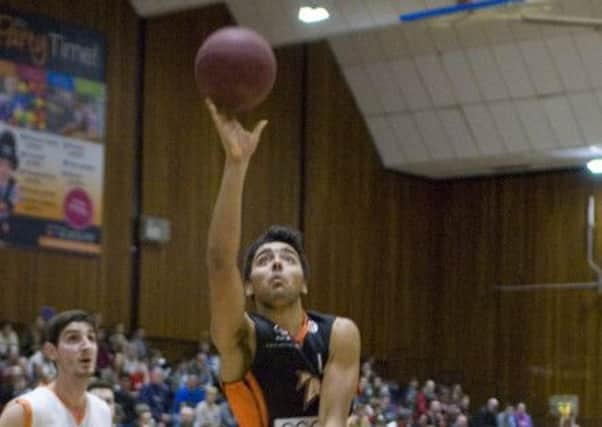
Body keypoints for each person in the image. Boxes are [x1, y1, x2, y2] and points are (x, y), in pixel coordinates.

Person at [205, 98, 361, 427]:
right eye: (264, 260)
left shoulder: (339, 335)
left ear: (304, 280)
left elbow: (333, 421)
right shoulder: (241, 337)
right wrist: (236, 164)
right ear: (247, 285)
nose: (277, 264)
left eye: (288, 258)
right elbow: (220, 263)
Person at [0, 309, 112, 426]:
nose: (87, 346)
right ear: (51, 351)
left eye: (91, 338)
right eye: (73, 338)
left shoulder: (103, 411)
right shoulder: (24, 410)